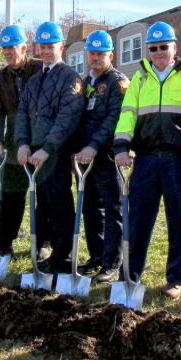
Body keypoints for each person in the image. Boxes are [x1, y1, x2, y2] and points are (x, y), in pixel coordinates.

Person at [113, 21, 181, 300]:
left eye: (164, 46)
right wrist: (121, 146)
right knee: (139, 220)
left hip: (179, 162)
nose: (159, 52)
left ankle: (175, 279)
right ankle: (129, 275)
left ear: (174, 47)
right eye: (153, 48)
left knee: (180, 220)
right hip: (147, 160)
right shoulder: (139, 78)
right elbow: (127, 115)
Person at [15, 21, 85, 277]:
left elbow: (67, 118)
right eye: (42, 46)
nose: (45, 51)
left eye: (50, 46)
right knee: (42, 203)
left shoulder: (70, 78)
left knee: (59, 203)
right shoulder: (34, 81)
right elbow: (22, 113)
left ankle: (64, 257)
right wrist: (22, 143)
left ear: (61, 47)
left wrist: (47, 148)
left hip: (56, 154)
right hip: (35, 154)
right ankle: (48, 251)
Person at [73, 30, 128, 283]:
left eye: (100, 54)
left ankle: (112, 263)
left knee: (113, 208)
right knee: (90, 208)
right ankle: (96, 256)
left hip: (105, 155)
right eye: (92, 53)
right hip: (84, 157)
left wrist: (94, 146)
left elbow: (113, 119)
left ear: (111, 55)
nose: (95, 58)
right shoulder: (85, 83)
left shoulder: (117, 83)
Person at [0, 24, 47, 259]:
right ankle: (4, 244)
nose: (9, 53)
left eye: (13, 47)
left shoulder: (40, 68)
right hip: (14, 142)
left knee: (43, 195)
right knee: (12, 194)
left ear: (24, 47)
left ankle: (42, 242)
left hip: (40, 139)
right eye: (5, 49)